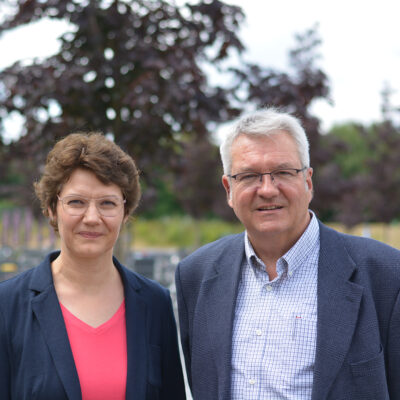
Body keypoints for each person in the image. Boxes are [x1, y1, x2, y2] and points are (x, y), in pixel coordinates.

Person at [175, 108, 400, 400]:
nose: (267, 190)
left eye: (283, 172)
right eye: (249, 175)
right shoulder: (196, 274)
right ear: (229, 189)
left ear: (308, 181)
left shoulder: (386, 274)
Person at [0, 132, 186, 399]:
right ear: (52, 208)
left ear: (125, 213)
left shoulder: (155, 303)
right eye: (76, 202)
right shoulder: (7, 306)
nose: (92, 218)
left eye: (107, 203)